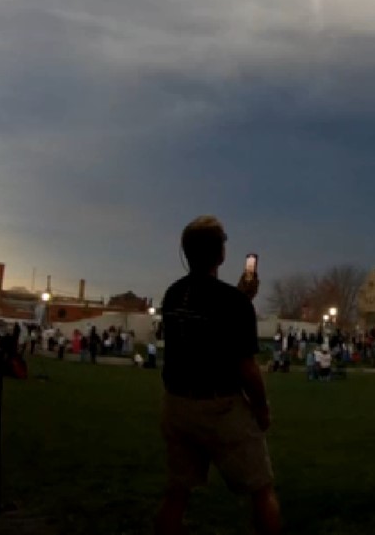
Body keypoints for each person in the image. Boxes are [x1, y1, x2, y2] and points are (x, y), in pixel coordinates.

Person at [154, 216, 281, 535]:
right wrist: (262, 408)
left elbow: (204, 318)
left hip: (177, 403)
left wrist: (241, 298)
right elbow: (246, 366)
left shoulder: (173, 295)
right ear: (221, 253)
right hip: (220, 406)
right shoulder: (234, 303)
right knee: (262, 490)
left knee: (176, 493)